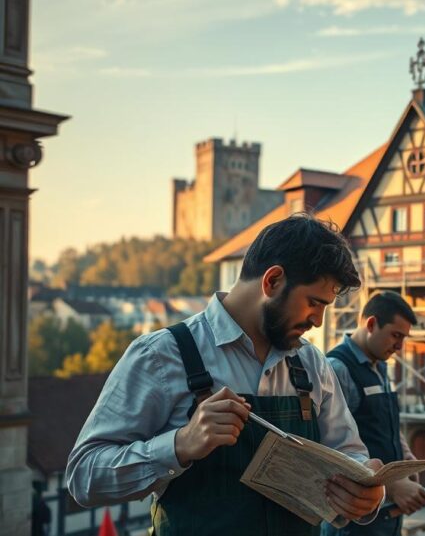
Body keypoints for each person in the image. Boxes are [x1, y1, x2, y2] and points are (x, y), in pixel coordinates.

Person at [67, 215, 385, 536]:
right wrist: (180, 445)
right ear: (272, 281)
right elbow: (84, 477)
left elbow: (350, 454)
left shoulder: (312, 363)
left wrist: (368, 492)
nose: (318, 320)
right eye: (314, 302)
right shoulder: (162, 355)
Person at [322, 291, 425, 536]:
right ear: (371, 324)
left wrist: (404, 453)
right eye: (396, 335)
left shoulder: (380, 366)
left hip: (385, 516)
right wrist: (392, 486)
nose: (400, 347)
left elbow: (384, 419)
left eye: (404, 338)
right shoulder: (336, 369)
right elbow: (332, 450)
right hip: (353, 522)